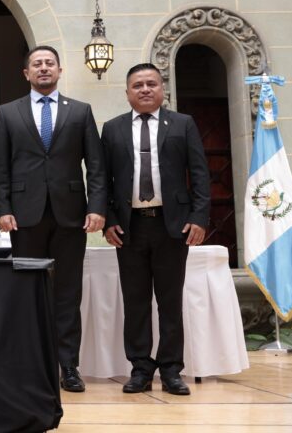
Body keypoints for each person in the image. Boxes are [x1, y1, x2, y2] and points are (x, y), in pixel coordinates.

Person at [0, 45, 106, 393]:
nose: (43, 68)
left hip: (71, 216)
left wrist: (97, 207)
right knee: (27, 290)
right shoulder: (7, 113)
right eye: (37, 64)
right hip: (24, 217)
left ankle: (68, 366)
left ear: (59, 70)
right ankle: (30, 363)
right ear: (26, 73)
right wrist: (1, 209)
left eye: (49, 63)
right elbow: (0, 167)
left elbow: (96, 166)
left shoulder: (80, 111)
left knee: (67, 292)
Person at [101, 63, 210, 396]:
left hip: (172, 226)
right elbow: (102, 180)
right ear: (127, 93)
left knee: (170, 301)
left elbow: (200, 173)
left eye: (151, 84)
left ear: (162, 89)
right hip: (129, 228)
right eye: (138, 85)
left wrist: (199, 217)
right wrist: (108, 219)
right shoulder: (113, 128)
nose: (145, 89)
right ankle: (140, 369)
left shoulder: (183, 124)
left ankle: (172, 370)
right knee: (135, 302)